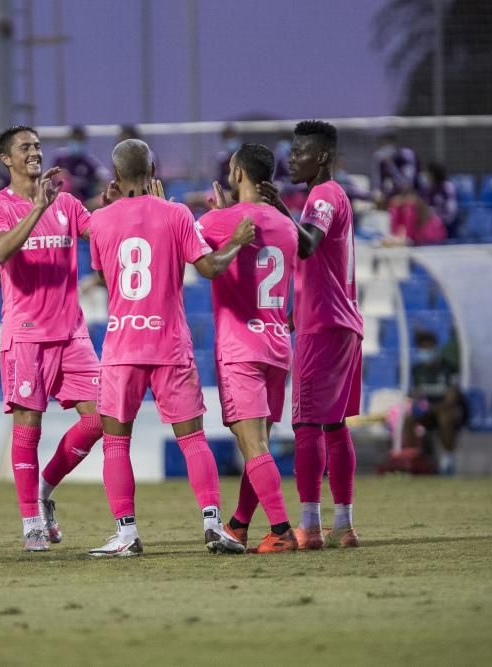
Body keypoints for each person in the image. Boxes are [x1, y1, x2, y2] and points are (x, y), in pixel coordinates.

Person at [86, 138, 254, 557]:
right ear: (154, 170)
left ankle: (126, 535)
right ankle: (214, 525)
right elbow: (210, 268)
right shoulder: (177, 213)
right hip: (168, 343)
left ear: (116, 176)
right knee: (193, 439)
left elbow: (109, 277)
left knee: (115, 443)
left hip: (122, 345)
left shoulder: (101, 221)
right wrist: (234, 240)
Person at [0, 125, 105, 552]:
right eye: (25, 147)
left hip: (72, 332)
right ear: (6, 159)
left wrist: (136, 208)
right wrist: (35, 209)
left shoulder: (67, 203)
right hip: (27, 335)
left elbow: (101, 234)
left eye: (37, 145)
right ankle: (31, 522)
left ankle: (44, 491)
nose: (34, 152)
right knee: (28, 429)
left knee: (100, 418)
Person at [258, 120, 364, 550]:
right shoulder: (336, 196)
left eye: (299, 153)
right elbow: (321, 266)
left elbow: (307, 246)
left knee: (306, 425)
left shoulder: (322, 196)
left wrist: (280, 208)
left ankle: (310, 527)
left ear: (321, 157)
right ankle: (344, 524)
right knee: (336, 426)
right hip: (343, 324)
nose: (292, 160)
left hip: (324, 328)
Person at [199, 144, 300, 554]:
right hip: (277, 343)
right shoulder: (287, 225)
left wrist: (219, 215)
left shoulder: (219, 220)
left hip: (241, 346)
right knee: (259, 444)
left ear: (238, 173)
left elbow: (188, 248)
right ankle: (239, 524)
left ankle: (281, 530)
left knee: (252, 445)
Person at [402, 330, 466, 474]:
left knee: (444, 416)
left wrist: (433, 408)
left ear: (435, 347)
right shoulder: (417, 370)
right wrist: (418, 402)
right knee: (408, 418)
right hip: (428, 412)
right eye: (422, 348)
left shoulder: (448, 368)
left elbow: (452, 398)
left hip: (450, 412)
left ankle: (448, 460)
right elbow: (415, 396)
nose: (426, 352)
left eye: (429, 348)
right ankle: (414, 458)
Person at [51, 125, 108, 204]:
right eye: (75, 139)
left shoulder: (88, 162)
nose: (77, 143)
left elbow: (103, 176)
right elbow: (50, 177)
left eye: (80, 140)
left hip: (83, 202)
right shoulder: (60, 158)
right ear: (70, 140)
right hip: (60, 200)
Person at [371, 131, 420, 203]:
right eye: (381, 144)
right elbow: (377, 183)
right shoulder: (381, 159)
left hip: (412, 194)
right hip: (394, 196)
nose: (383, 148)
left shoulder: (406, 155)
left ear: (392, 142)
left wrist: (390, 164)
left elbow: (406, 184)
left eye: (386, 143)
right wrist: (377, 191)